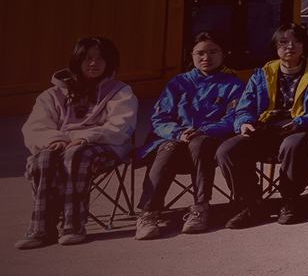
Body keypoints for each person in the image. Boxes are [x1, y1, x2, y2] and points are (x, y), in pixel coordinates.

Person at [17, 37, 136, 249]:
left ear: (110, 62)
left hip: (103, 144)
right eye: (87, 58)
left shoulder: (120, 91)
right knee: (45, 157)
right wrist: (54, 139)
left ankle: (73, 225)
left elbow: (121, 125)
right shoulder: (52, 94)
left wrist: (87, 137)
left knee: (77, 154)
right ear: (77, 60)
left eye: (101, 58)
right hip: (61, 145)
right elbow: (36, 126)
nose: (94, 63)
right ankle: (41, 228)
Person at [217, 25, 308, 230]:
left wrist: (299, 122)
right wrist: (244, 122)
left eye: (296, 42)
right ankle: (252, 204)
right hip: (265, 129)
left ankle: (290, 200)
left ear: (304, 46)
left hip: (299, 128)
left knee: (292, 145)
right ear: (275, 46)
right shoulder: (262, 74)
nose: (290, 46)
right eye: (283, 42)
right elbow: (245, 106)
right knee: (227, 150)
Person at [135, 32, 246, 239]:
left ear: (223, 54)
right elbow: (160, 118)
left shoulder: (234, 85)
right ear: (192, 55)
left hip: (208, 144)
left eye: (213, 52)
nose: (206, 58)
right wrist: (178, 132)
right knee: (168, 146)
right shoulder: (178, 83)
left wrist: (204, 130)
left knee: (199, 142)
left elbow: (233, 118)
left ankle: (200, 208)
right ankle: (148, 213)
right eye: (200, 53)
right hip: (176, 142)